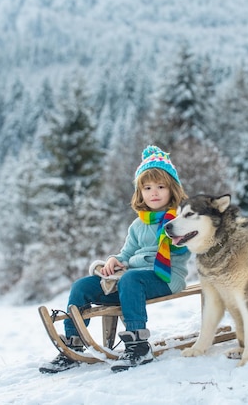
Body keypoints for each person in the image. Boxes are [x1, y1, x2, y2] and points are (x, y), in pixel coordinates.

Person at [39, 145, 191, 373]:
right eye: (147, 187)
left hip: (166, 277)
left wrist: (177, 241)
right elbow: (126, 254)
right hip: (130, 281)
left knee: (131, 279)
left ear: (172, 190)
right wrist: (113, 261)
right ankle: (74, 346)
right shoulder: (138, 224)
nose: (154, 192)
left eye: (161, 186)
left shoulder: (178, 220)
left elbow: (183, 250)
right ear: (140, 192)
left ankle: (139, 346)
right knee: (81, 286)